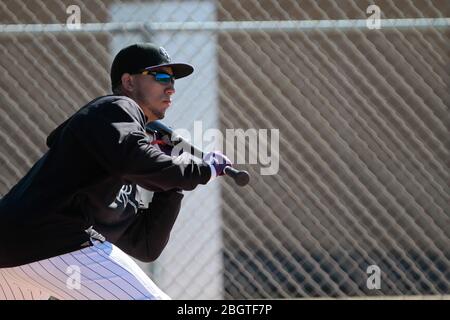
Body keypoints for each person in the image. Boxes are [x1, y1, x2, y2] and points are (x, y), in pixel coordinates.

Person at [0, 43, 231, 300]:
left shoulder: (113, 177)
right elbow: (135, 157)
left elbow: (145, 244)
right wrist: (203, 169)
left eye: (173, 80)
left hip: (11, 252)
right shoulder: (115, 106)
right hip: (50, 240)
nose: (171, 87)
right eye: (161, 76)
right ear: (129, 81)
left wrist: (171, 183)